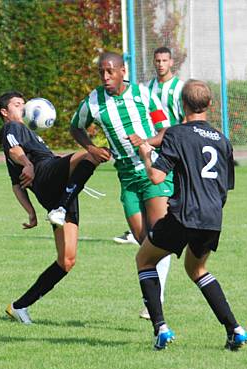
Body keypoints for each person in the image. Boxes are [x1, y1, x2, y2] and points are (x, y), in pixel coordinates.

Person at [135, 79, 247, 351]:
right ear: (209, 105)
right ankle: (235, 329)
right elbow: (224, 187)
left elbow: (156, 177)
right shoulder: (223, 140)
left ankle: (160, 328)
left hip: (185, 213)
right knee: (196, 268)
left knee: (145, 259)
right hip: (212, 217)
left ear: (181, 105)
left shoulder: (176, 133)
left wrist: (145, 154)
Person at [70, 51, 173, 319]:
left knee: (158, 235)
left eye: (110, 71)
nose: (105, 76)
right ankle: (154, 295)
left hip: (153, 171)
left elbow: (165, 132)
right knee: (143, 240)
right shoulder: (94, 101)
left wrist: (146, 142)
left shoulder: (143, 94)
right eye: (101, 72)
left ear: (122, 71)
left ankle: (155, 301)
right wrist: (91, 148)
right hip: (126, 176)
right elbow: (75, 126)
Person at [0, 91, 105, 324]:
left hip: (57, 192)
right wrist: (28, 164)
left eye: (24, 104)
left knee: (67, 260)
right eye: (17, 105)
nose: (23, 108)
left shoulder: (25, 131)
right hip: (47, 174)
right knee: (91, 154)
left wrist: (32, 213)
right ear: (5, 112)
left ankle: (19, 306)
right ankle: (61, 208)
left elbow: (16, 185)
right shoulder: (11, 129)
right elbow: (17, 152)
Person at [112, 47, 184, 248]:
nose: (160, 64)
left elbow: (185, 118)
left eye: (164, 60)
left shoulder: (179, 88)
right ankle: (141, 229)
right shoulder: (146, 88)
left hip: (173, 145)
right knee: (148, 185)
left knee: (168, 187)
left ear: (171, 62)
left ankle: (171, 227)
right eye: (157, 60)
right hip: (152, 146)